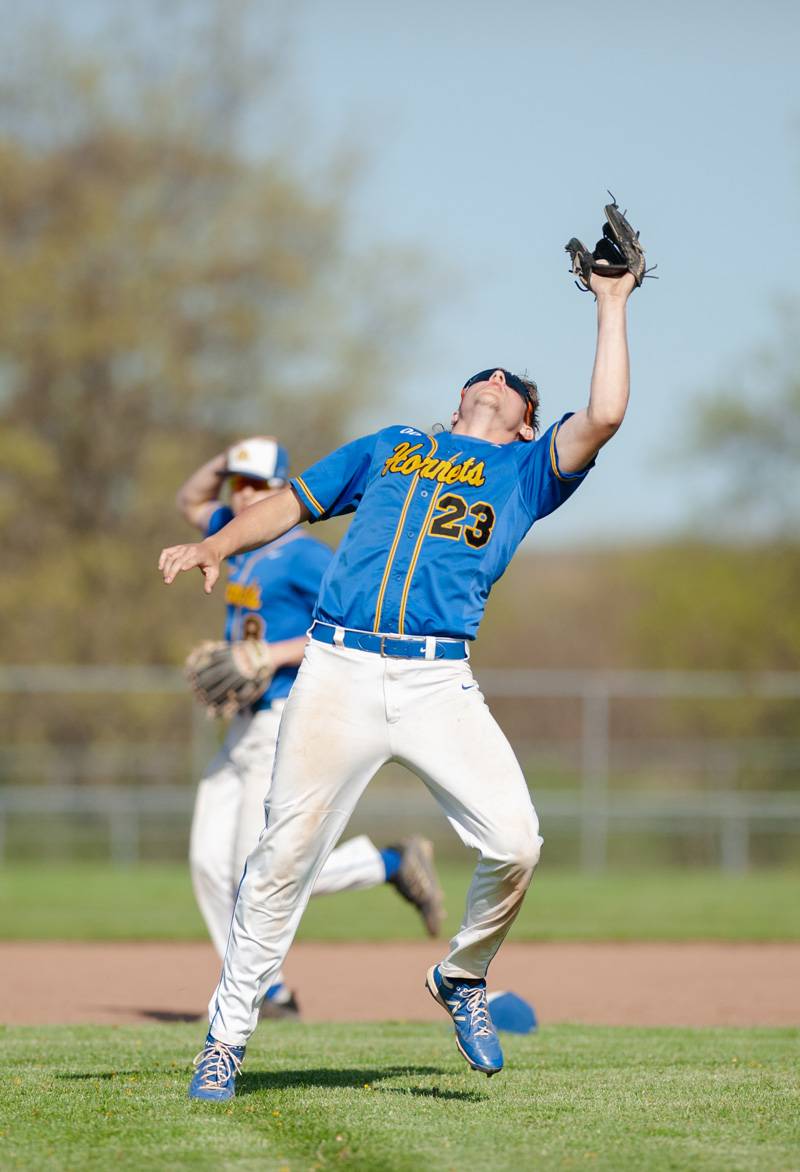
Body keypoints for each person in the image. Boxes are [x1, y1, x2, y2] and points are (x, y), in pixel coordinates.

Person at [159, 266, 635, 1099]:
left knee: (517, 840)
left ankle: (463, 975)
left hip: (435, 680)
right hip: (336, 667)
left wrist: (611, 302)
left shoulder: (526, 477)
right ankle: (224, 1043)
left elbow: (604, 414)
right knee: (279, 862)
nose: (498, 379)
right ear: (456, 404)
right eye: (485, 374)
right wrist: (217, 544)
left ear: (527, 424)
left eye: (516, 386)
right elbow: (293, 502)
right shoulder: (392, 446)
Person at [177, 435, 446, 1017]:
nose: (242, 492)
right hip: (240, 726)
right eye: (238, 483)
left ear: (279, 488)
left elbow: (351, 623)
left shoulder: (302, 556)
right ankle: (266, 987)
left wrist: (268, 656)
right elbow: (189, 497)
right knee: (207, 862)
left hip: (281, 718)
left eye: (256, 484)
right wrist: (227, 458)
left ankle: (391, 863)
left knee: (263, 864)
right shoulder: (234, 533)